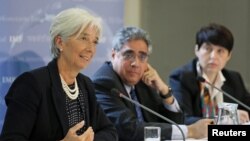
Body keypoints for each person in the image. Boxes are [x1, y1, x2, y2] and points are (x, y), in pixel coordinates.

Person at [0, 8, 118, 141]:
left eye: (95, 41)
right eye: (83, 38)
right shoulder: (32, 84)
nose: (91, 49)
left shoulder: (85, 85)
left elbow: (110, 132)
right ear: (60, 42)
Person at [92, 26, 213, 141]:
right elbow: (131, 130)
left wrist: (164, 91)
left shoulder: (143, 81)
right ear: (113, 55)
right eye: (128, 55)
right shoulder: (103, 83)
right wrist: (189, 131)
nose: (136, 63)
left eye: (142, 56)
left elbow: (174, 122)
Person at [169, 23, 250, 125]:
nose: (213, 56)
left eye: (220, 51)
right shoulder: (181, 78)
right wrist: (227, 118)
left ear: (229, 56)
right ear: (196, 50)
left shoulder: (234, 79)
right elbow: (182, 119)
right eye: (208, 49)